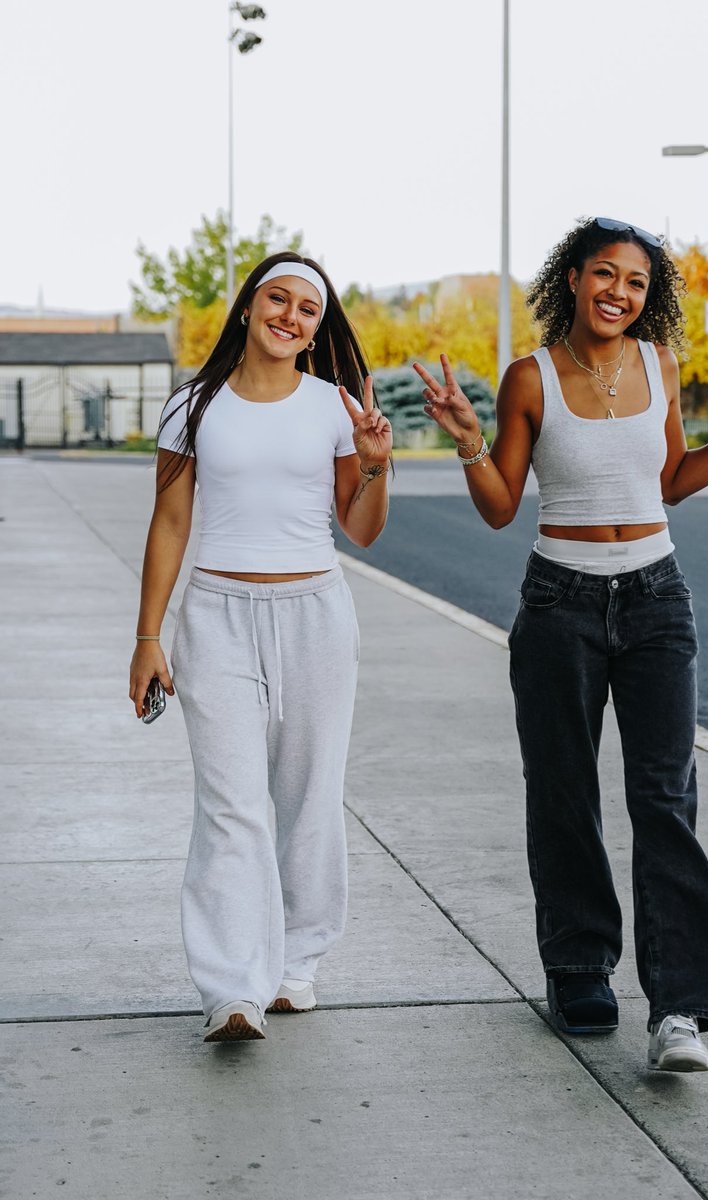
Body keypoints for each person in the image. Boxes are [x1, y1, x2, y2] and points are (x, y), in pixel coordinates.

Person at [414, 216, 708, 1073]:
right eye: (604, 275)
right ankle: (580, 968)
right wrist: (467, 435)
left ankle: (681, 1010)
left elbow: (669, 484)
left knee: (665, 798)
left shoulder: (659, 364)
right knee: (564, 794)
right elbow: (499, 504)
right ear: (573, 280)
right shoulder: (531, 378)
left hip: (657, 599)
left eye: (635, 281)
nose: (619, 293)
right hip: (560, 603)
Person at [129, 252, 391, 1043]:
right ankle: (231, 989)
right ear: (248, 307)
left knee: (309, 794)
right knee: (230, 803)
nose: (291, 316)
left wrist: (376, 466)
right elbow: (170, 522)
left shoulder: (334, 407)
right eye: (278, 299)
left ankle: (295, 965)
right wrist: (148, 635)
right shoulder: (193, 406)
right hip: (215, 617)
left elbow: (364, 529)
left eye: (308, 309)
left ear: (316, 331)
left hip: (314, 612)